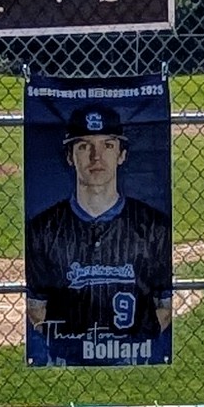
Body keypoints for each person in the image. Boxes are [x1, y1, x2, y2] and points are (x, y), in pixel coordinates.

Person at [26, 104, 172, 364]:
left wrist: (129, 350)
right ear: (70, 156)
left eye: (107, 145)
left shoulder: (154, 226)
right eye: (83, 146)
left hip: (133, 356)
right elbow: (36, 310)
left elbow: (165, 307)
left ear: (121, 155)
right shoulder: (42, 228)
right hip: (65, 355)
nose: (96, 156)